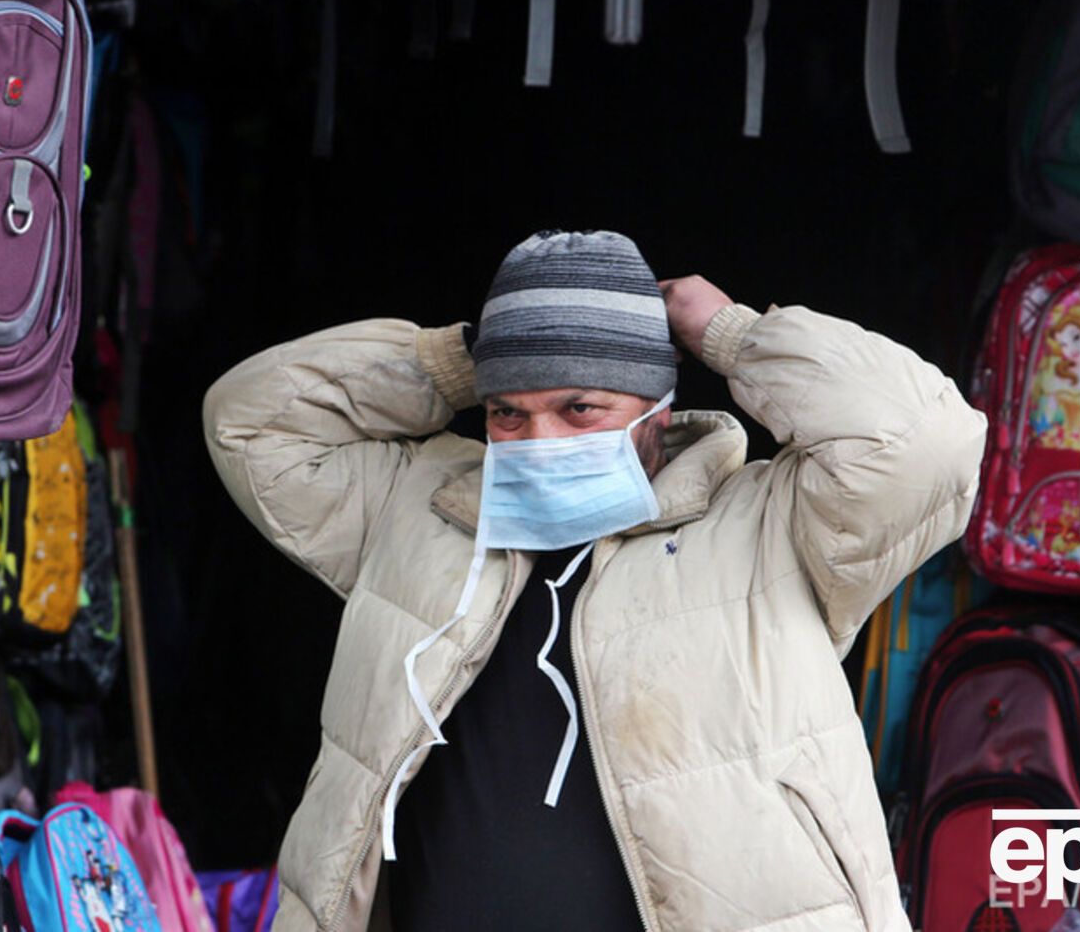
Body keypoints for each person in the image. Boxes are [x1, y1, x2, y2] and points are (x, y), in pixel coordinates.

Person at [203, 229, 986, 932]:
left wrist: (730, 334)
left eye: (579, 407)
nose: (539, 439)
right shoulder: (417, 508)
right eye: (508, 412)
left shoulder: (769, 529)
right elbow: (250, 421)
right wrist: (458, 358)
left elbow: (925, 443)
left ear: (658, 409)